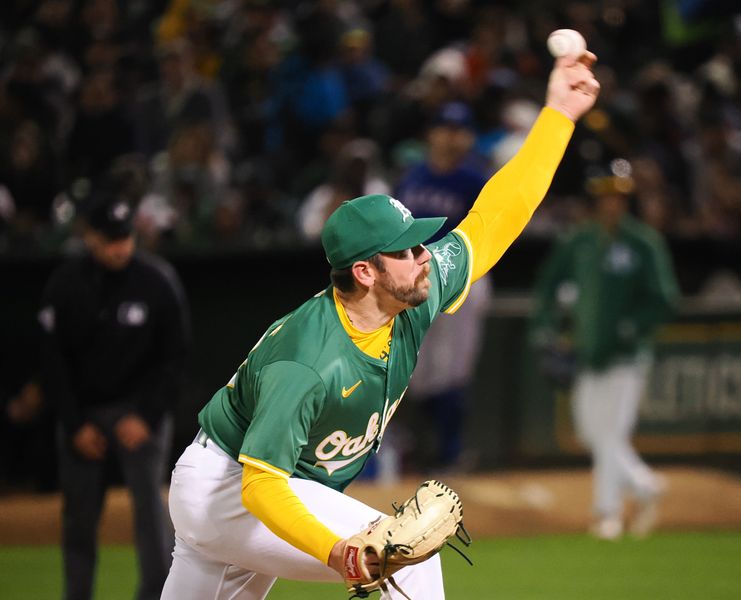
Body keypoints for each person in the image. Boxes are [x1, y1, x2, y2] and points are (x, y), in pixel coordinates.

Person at [160, 50, 600, 600]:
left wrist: (558, 114)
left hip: (244, 488)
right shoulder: (308, 359)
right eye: (405, 249)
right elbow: (263, 486)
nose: (422, 256)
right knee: (404, 560)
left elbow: (492, 221)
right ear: (365, 271)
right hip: (229, 488)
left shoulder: (410, 296)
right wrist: (338, 551)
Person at [39, 184, 190, 600]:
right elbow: (53, 364)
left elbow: (174, 359)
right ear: (90, 237)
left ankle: (158, 595)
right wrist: (73, 425)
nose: (120, 247)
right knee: (79, 520)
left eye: (125, 237)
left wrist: (146, 414)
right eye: (110, 239)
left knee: (152, 517)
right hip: (84, 416)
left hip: (139, 417)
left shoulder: (157, 282)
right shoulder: (66, 285)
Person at [529, 159, 680, 540]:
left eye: (618, 196)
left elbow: (664, 297)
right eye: (606, 196)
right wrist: (545, 328)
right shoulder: (581, 240)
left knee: (611, 433)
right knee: (590, 432)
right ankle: (645, 486)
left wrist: (633, 328)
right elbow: (548, 284)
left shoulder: (643, 241)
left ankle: (606, 514)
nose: (612, 203)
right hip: (588, 353)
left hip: (626, 357)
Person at [393, 101, 491, 471]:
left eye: (459, 130)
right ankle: (420, 447)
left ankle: (451, 452)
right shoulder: (412, 177)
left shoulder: (474, 181)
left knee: (453, 370)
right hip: (412, 278)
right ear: (431, 134)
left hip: (462, 277)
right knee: (415, 372)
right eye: (444, 129)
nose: (451, 138)